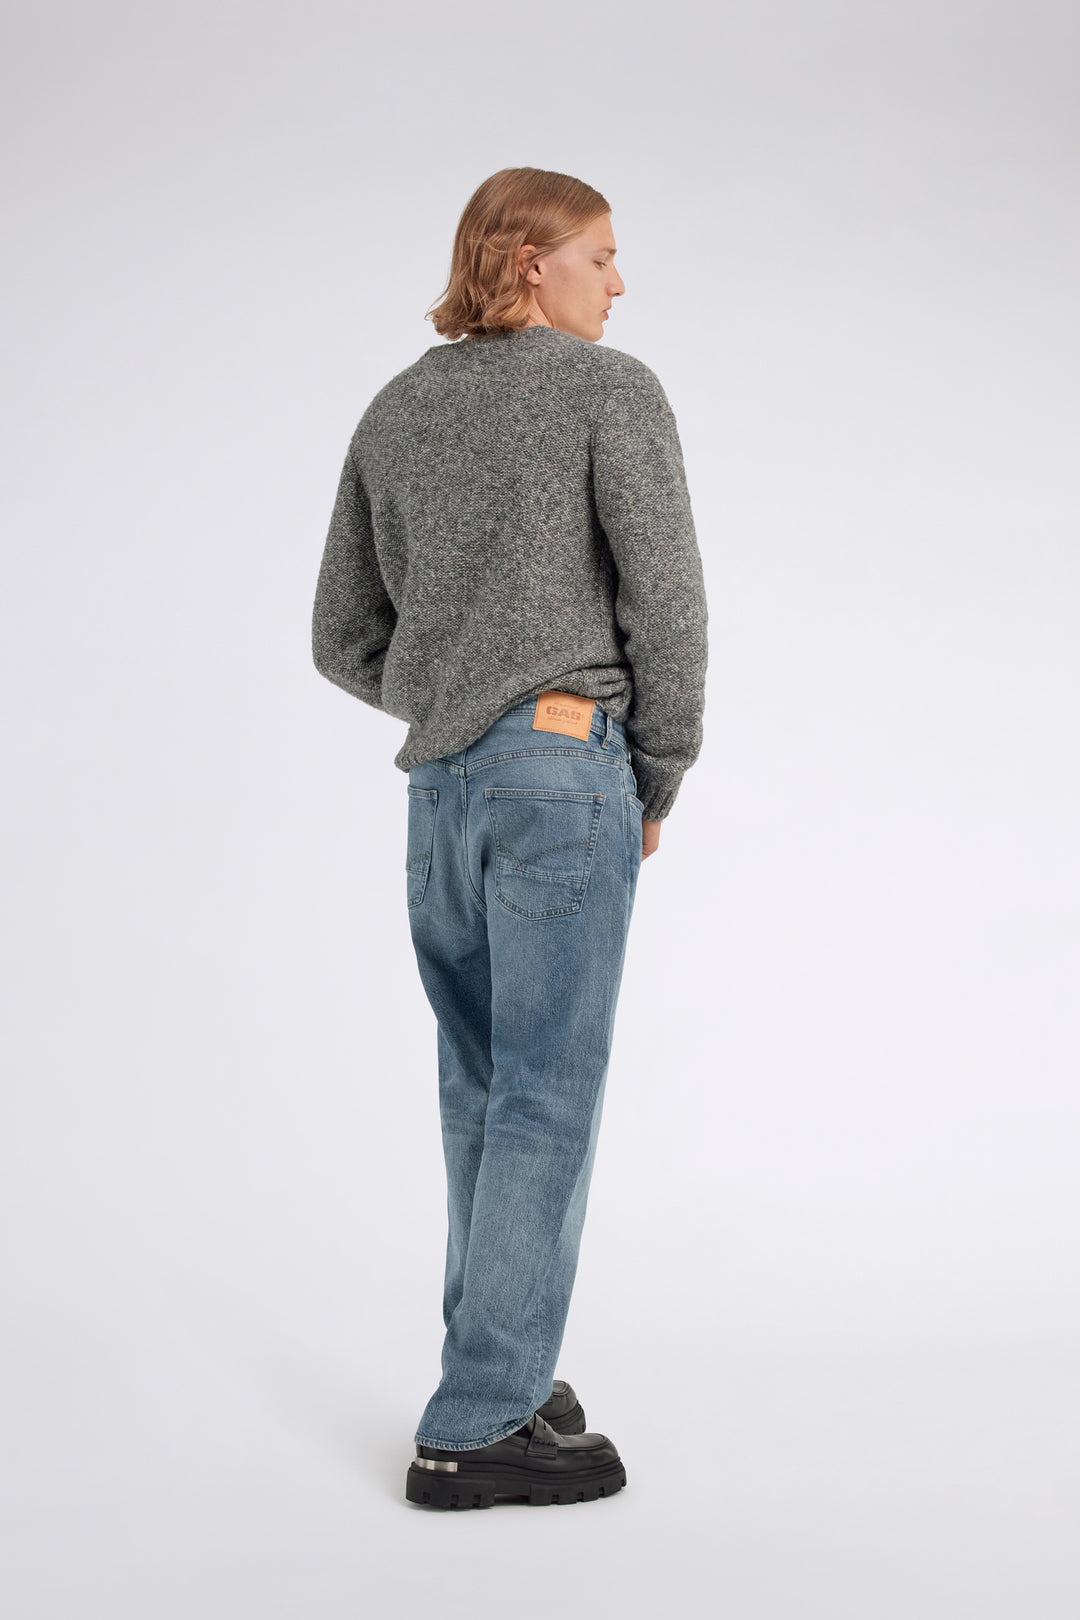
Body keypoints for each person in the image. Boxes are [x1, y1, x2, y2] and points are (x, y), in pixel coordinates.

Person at [311, 166, 709, 1509]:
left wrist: (456, 699)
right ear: (531, 262)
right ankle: (481, 1418)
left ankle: (503, 1368)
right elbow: (668, 606)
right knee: (545, 1093)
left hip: (441, 790)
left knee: (481, 1087)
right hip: (559, 776)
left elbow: (341, 636)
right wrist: (655, 772)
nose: (620, 281)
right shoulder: (610, 390)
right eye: (601, 254)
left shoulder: (398, 407)